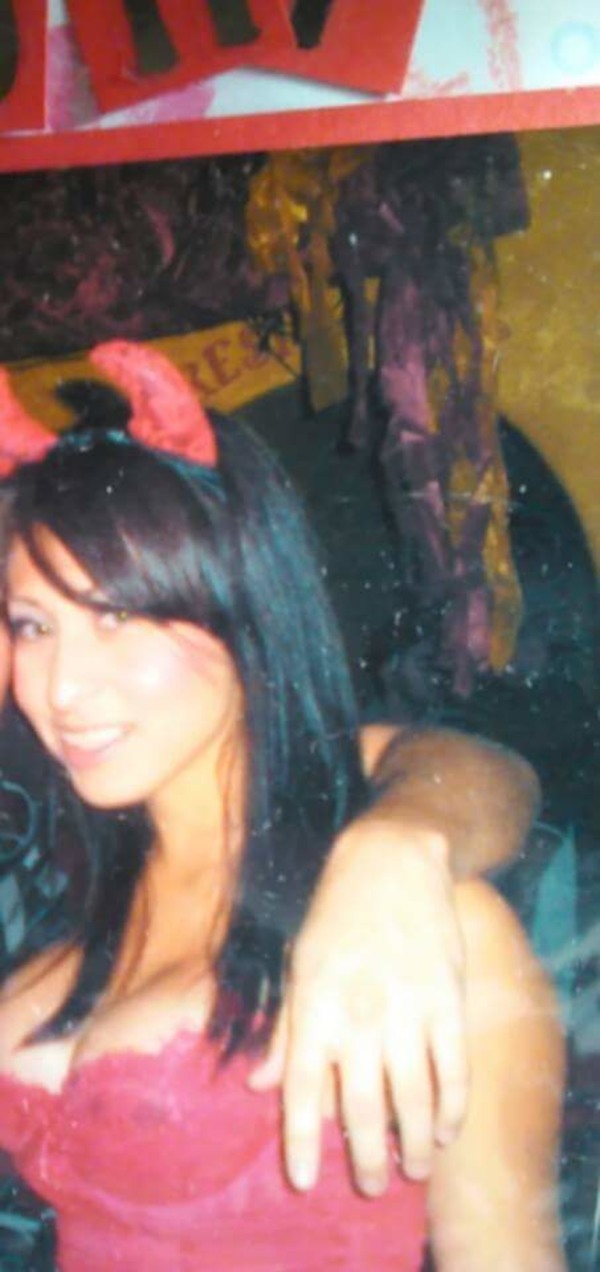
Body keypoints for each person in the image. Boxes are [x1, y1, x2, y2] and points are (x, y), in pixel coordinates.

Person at [0, 343, 563, 1270]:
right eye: (34, 625)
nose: (63, 687)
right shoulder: (58, 866)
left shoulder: (400, 919)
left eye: (120, 616)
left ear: (244, 612)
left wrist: (401, 848)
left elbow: (505, 1254)